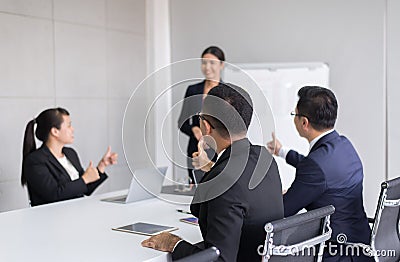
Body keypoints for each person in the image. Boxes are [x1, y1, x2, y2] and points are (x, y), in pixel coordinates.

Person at [142, 83, 284, 261]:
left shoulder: (223, 180)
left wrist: (174, 243)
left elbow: (220, 260)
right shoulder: (264, 157)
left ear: (206, 127)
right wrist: (209, 168)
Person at [267, 86, 372, 261]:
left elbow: (284, 210)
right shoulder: (343, 145)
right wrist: (282, 151)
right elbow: (317, 170)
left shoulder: (315, 167)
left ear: (304, 123)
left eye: (295, 115)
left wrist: (270, 196)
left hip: (337, 252)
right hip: (362, 243)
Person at [21, 107, 118, 207]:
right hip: (52, 220)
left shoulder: (70, 153)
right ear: (55, 131)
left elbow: (85, 188)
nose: (72, 129)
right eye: (69, 126)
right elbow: (54, 194)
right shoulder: (35, 161)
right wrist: (84, 179)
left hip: (76, 214)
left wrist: (102, 166)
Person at [178, 46, 225, 183]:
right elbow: (182, 122)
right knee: (196, 191)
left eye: (212, 63)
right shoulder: (193, 90)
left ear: (221, 65)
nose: (207, 67)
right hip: (196, 150)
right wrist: (194, 129)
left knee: (217, 188)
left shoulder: (227, 91)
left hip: (219, 150)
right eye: (204, 62)